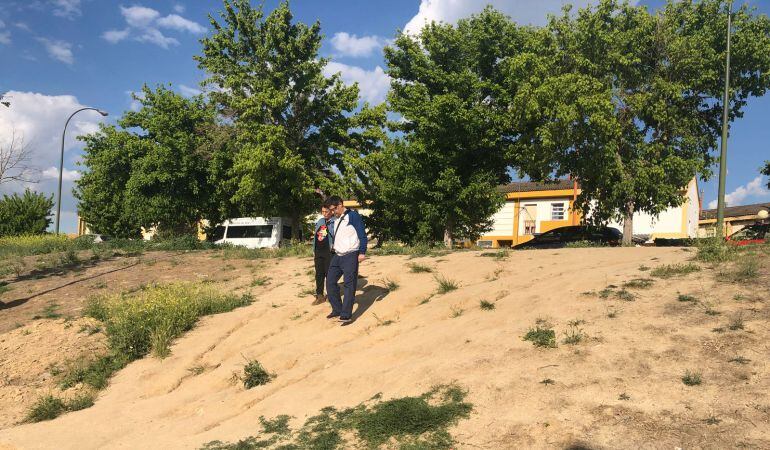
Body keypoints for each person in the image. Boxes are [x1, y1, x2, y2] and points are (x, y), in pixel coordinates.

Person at [324, 196, 367, 324]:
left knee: (349, 284)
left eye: (333, 209)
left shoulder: (353, 216)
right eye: (330, 210)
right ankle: (337, 309)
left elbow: (362, 234)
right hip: (337, 255)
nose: (332, 212)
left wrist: (362, 252)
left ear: (340, 205)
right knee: (330, 282)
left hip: (351, 255)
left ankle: (346, 314)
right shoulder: (335, 219)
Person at [312, 204, 334, 305]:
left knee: (329, 273)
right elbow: (316, 236)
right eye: (323, 212)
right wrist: (314, 249)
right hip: (318, 251)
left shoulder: (334, 221)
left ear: (331, 211)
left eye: (326, 212)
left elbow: (335, 235)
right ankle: (320, 295)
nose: (324, 214)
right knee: (319, 273)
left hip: (328, 251)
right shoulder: (320, 221)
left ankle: (331, 295)